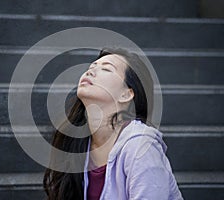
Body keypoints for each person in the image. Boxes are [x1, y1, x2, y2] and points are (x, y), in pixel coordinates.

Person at [43, 48, 183, 200]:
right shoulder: (77, 144)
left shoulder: (141, 146)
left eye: (106, 69)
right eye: (91, 67)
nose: (90, 72)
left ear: (126, 94)